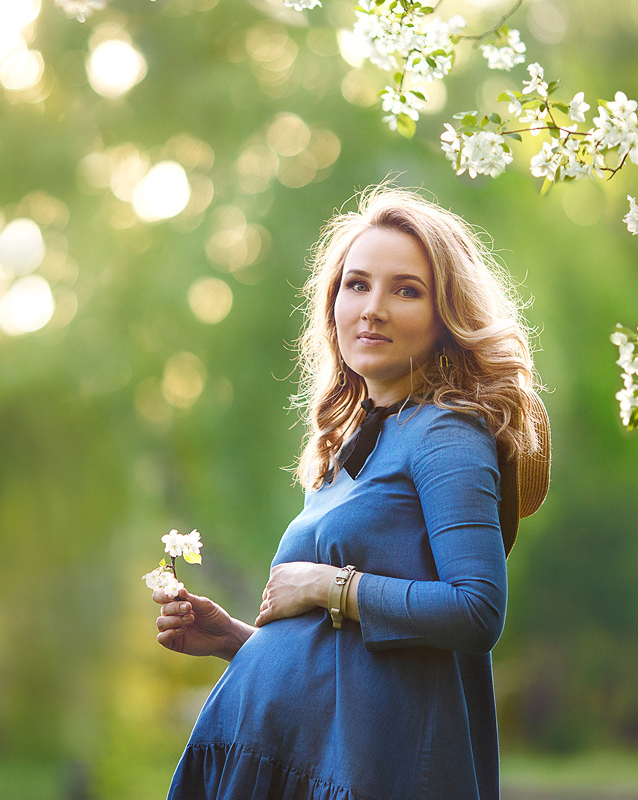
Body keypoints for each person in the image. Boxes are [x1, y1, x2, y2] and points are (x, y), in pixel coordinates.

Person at [151, 186, 551, 800]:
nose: (374, 309)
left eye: (406, 290)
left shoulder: (447, 433)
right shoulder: (361, 437)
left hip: (366, 775)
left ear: (447, 315)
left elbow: (476, 611)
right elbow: (354, 659)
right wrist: (237, 640)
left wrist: (323, 584)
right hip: (290, 758)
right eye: (357, 285)